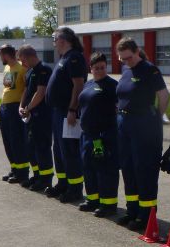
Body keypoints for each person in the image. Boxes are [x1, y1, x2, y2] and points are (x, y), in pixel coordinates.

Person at [115, 38, 170, 231]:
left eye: (128, 58)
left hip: (143, 125)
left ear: (137, 51)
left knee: (144, 169)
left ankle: (146, 215)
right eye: (122, 59)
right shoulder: (126, 70)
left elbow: (164, 96)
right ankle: (133, 210)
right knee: (128, 168)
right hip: (125, 125)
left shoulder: (150, 70)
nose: (126, 62)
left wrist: (157, 117)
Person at [44, 27, 87, 203]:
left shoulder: (74, 57)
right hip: (57, 112)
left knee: (69, 151)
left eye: (55, 38)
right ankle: (63, 183)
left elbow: (78, 85)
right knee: (59, 150)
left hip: (67, 112)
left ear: (63, 40)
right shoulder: (64, 58)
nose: (53, 42)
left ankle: (75, 188)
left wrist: (72, 109)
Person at [77, 53, 119, 217]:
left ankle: (108, 204)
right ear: (91, 68)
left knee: (105, 170)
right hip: (87, 135)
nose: (100, 71)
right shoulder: (88, 84)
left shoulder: (112, 85)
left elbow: (119, 108)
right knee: (89, 167)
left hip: (103, 135)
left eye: (102, 67)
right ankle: (92, 200)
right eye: (96, 68)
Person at [18, 45, 54, 191]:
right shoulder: (30, 72)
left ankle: (46, 179)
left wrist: (28, 108)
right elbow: (26, 91)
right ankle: (37, 175)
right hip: (30, 116)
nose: (22, 63)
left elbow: (41, 92)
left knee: (42, 148)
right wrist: (21, 106)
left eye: (22, 60)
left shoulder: (44, 69)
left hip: (41, 116)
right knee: (31, 147)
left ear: (28, 57)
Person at [0, 44, 29, 183]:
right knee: (8, 141)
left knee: (17, 141)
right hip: (5, 109)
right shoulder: (7, 67)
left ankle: (22, 173)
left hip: (15, 108)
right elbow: (7, 90)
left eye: (0, 55)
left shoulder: (22, 68)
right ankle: (14, 169)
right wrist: (0, 107)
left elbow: (27, 88)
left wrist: (23, 106)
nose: (0, 58)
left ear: (5, 55)